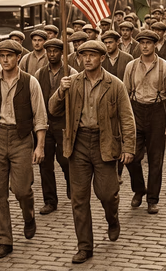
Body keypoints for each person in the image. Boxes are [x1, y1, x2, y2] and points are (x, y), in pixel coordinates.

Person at [49, 40, 137, 264]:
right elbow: (52, 109)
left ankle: (112, 218)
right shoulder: (73, 82)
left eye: (92, 55)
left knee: (107, 193)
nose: (87, 59)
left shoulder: (114, 84)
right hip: (77, 143)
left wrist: (128, 147)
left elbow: (127, 119)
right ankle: (84, 246)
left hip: (104, 143)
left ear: (101, 57)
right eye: (83, 55)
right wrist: (61, 90)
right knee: (79, 199)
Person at [0, 40, 47, 259]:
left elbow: (40, 117)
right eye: (2, 56)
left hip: (21, 138)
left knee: (22, 189)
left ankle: (29, 214)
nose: (5, 60)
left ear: (18, 58)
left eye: (9, 56)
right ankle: (4, 240)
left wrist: (40, 146)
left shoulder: (30, 82)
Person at [123, 30, 166, 214]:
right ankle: (139, 189)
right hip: (136, 112)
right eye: (142, 43)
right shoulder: (131, 66)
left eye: (148, 43)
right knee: (131, 157)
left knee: (156, 160)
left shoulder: (165, 67)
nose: (145, 46)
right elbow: (124, 96)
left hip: (157, 113)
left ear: (155, 44)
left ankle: (152, 199)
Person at [35, 38, 76, 215]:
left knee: (65, 159)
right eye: (49, 51)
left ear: (62, 53)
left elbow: (76, 100)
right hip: (45, 121)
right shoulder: (39, 74)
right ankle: (50, 200)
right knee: (45, 163)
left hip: (63, 122)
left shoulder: (71, 73)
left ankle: (71, 186)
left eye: (55, 51)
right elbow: (36, 99)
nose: (52, 54)